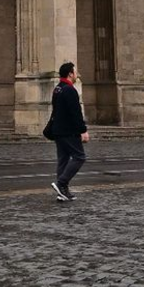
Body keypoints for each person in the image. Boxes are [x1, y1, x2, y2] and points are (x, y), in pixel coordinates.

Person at [49, 61, 88, 202]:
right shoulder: (70, 90)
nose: (76, 73)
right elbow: (75, 112)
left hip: (58, 130)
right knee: (79, 157)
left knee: (63, 160)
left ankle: (62, 193)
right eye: (75, 71)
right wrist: (83, 130)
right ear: (70, 74)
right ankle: (61, 183)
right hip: (68, 131)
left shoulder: (58, 88)